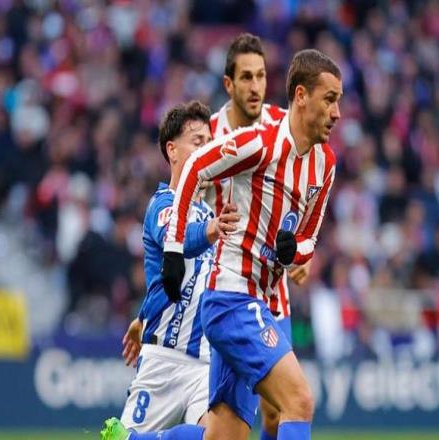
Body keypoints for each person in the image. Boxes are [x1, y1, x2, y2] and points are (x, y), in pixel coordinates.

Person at [163, 49, 342, 440]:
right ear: (301, 96)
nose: (337, 113)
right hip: (232, 297)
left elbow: (309, 239)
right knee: (298, 400)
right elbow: (195, 166)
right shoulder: (259, 144)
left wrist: (293, 252)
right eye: (329, 100)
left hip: (262, 300)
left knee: (224, 436)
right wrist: (174, 248)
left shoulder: (325, 164)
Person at [100, 101, 240, 440]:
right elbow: (176, 242)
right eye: (197, 141)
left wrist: (141, 315)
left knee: (219, 436)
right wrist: (211, 231)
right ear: (172, 150)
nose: (206, 150)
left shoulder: (212, 213)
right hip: (164, 359)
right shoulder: (163, 205)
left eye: (209, 142)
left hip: (204, 362)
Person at [207, 33, 311, 440]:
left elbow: (305, 192)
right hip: (226, 286)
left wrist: (302, 250)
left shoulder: (283, 127)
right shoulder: (209, 135)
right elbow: (187, 201)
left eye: (262, 76)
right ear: (228, 83)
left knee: (275, 411)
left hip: (272, 292)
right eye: (246, 77)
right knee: (226, 426)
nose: (256, 86)